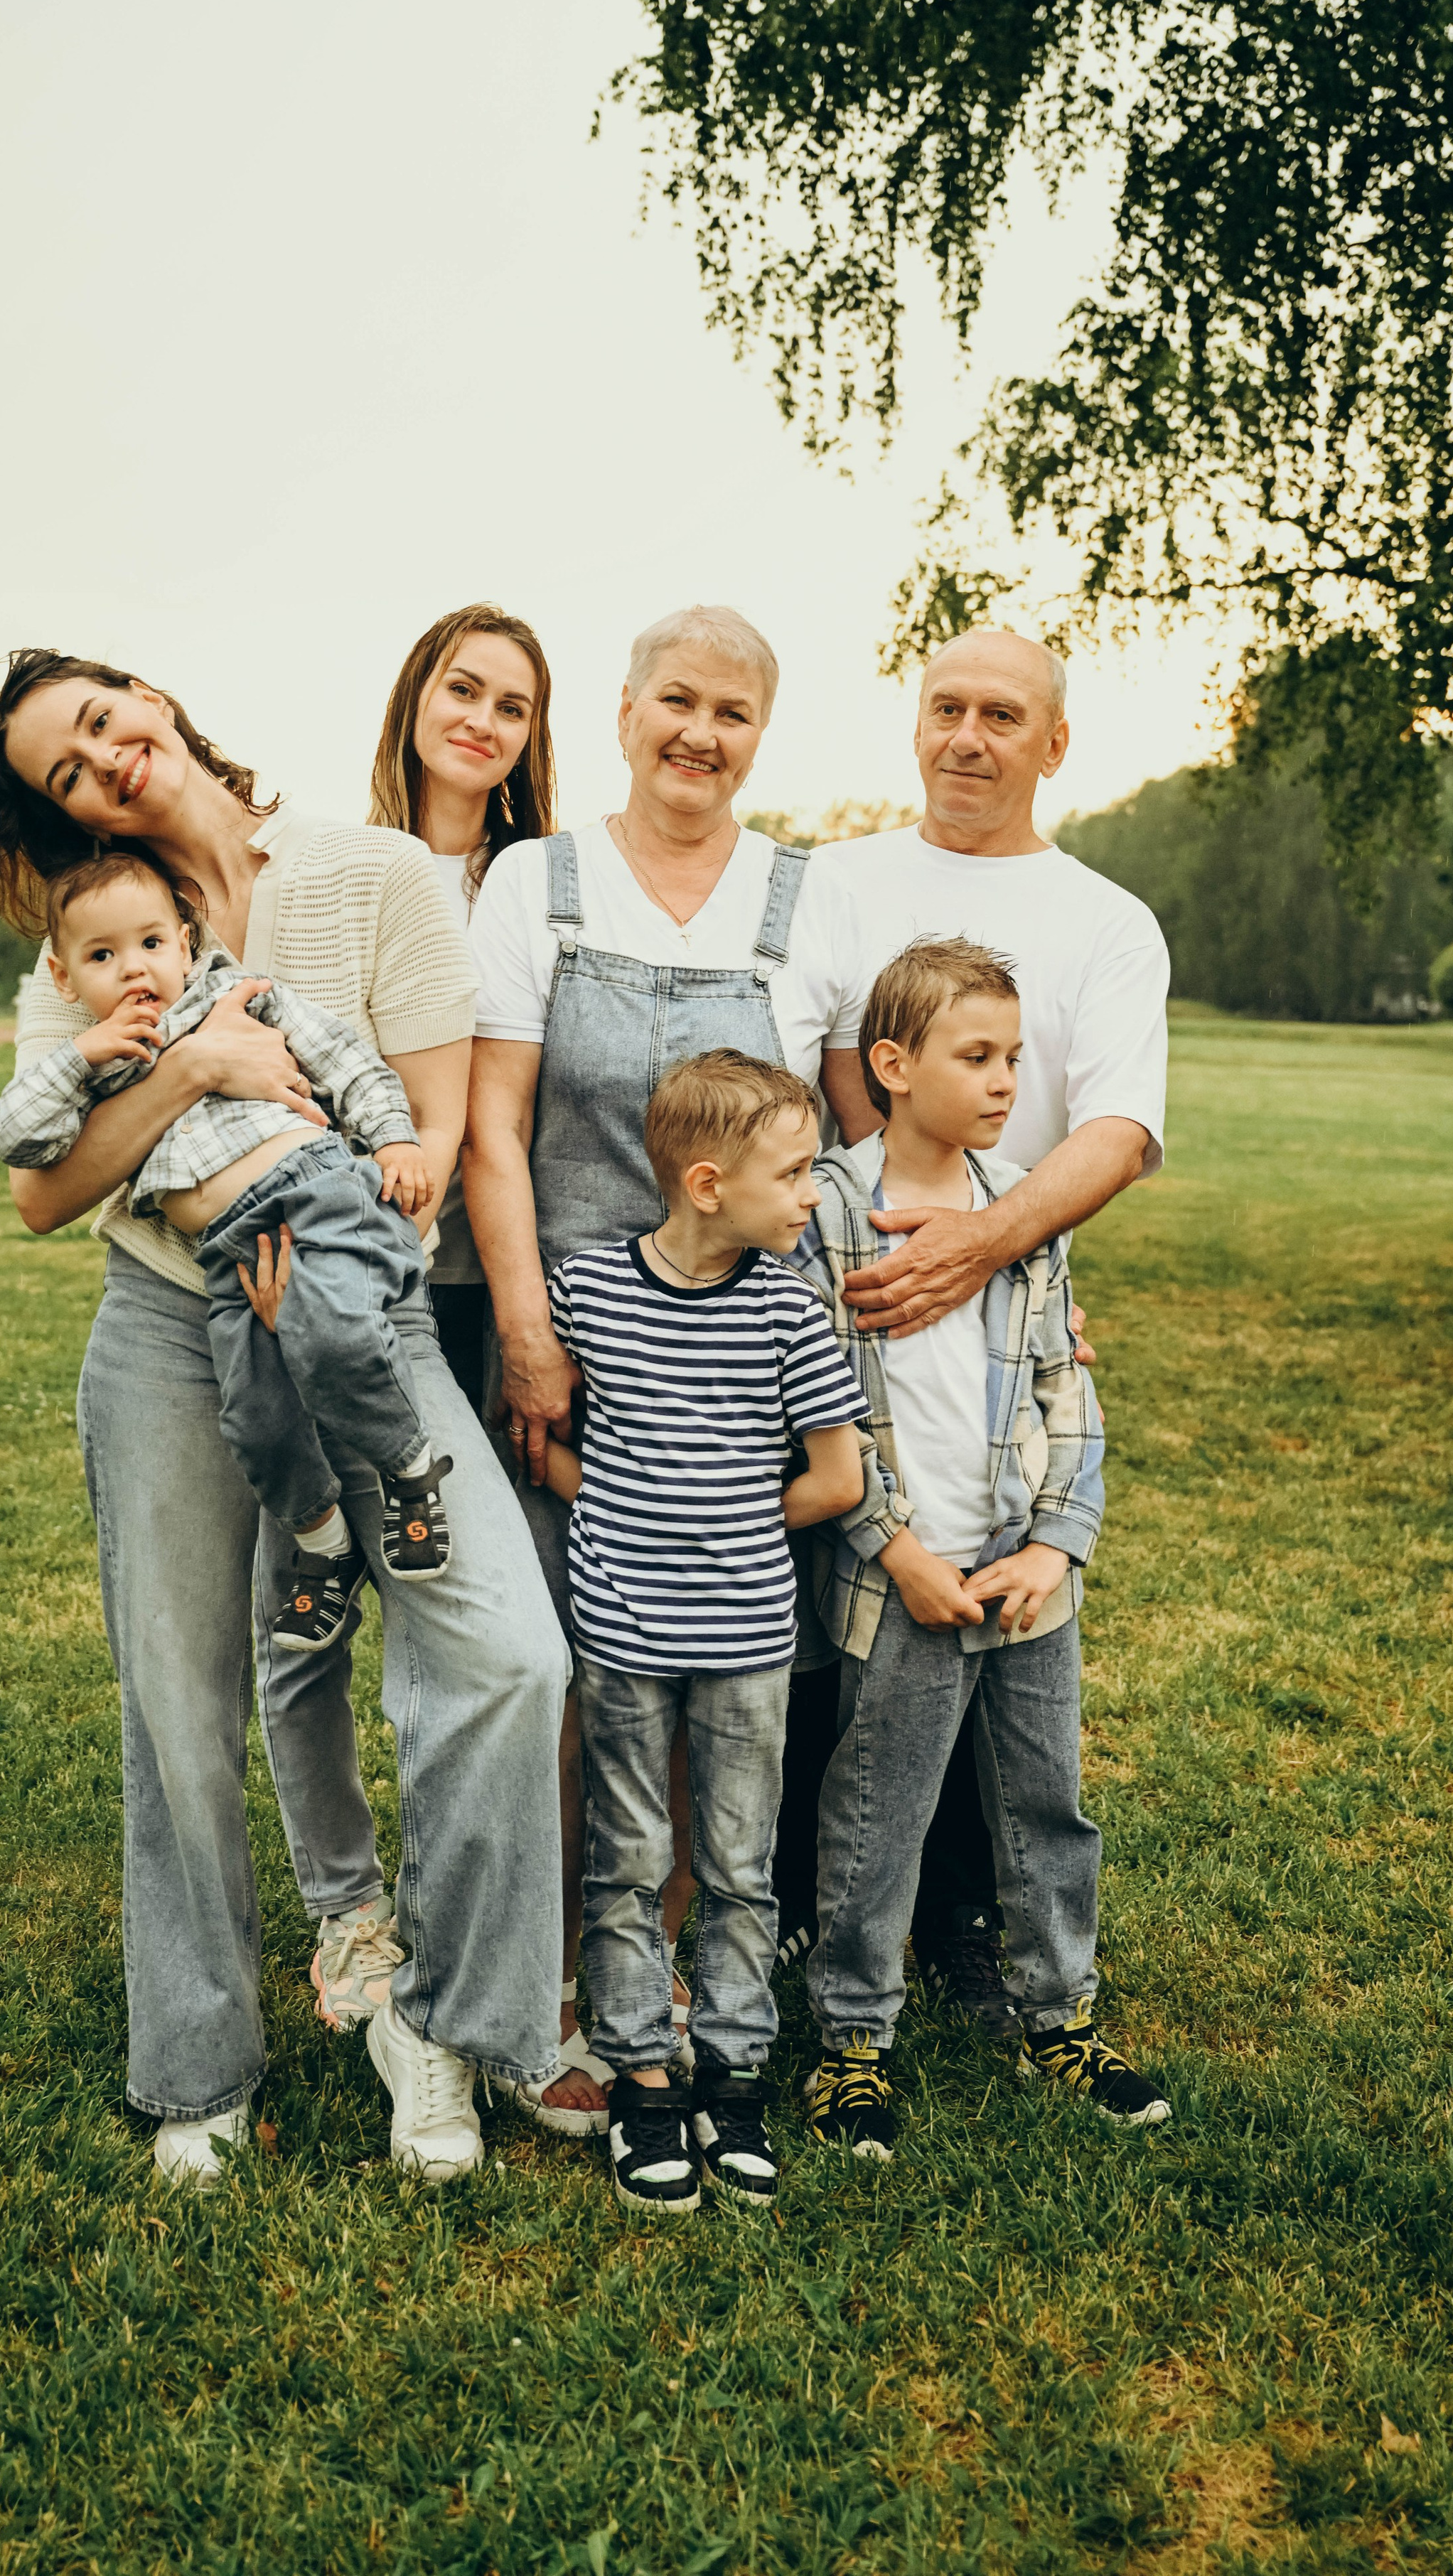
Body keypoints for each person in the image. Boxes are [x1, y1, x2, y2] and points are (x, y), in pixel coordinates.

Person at [0, 647, 566, 2186]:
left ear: (152, 702)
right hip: (168, 1327)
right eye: (61, 767)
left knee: (504, 1651)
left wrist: (331, 1242)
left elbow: (425, 1120)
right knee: (178, 1703)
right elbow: (44, 1188)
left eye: (102, 719)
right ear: (50, 816)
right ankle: (198, 2067)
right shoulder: (83, 939)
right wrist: (196, 1077)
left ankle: (438, 2019)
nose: (100, 758)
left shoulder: (369, 872)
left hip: (355, 1308)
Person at [461, 603, 869, 2130]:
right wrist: (523, 1328)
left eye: (732, 714)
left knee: (715, 1658)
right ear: (624, 710)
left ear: (762, 735)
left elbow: (846, 1140)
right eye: (673, 702)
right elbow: (496, 1127)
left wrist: (995, 1263)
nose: (699, 735)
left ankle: (689, 1971)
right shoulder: (537, 883)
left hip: (751, 1351)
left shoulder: (802, 898)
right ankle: (570, 1976)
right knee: (583, 1667)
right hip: (578, 1345)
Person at [776, 627, 1171, 2024]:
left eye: (999, 715)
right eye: (942, 707)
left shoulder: (1105, 921)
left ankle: (961, 1925)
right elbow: (827, 1063)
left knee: (992, 1612)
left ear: (1050, 744)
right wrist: (867, 1228)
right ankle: (819, 1929)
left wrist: (989, 1256)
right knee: (858, 1632)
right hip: (855, 1284)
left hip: (1006, 1300)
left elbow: (1118, 1128)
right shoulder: (839, 877)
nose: (963, 736)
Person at [791, 937, 1169, 2152]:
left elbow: (1068, 1382)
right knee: (877, 1811)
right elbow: (813, 1405)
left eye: (1016, 1056)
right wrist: (897, 1548)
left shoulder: (1020, 1211)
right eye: (978, 1056)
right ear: (892, 1066)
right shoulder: (830, 1212)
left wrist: (1057, 1546)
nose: (1008, 1079)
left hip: (1023, 1579)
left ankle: (1058, 2011)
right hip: (899, 1580)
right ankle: (853, 2041)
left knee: (1045, 1800)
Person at [539, 1052, 872, 2211]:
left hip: (746, 1643)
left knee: (737, 1871)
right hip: (622, 1634)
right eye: (793, 1176)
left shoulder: (790, 1309)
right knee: (626, 1865)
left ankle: (731, 2083)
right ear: (706, 1181)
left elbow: (836, 1479)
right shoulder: (588, 1291)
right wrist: (614, 1500)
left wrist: (718, 1520)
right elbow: (544, 1434)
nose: (812, 1197)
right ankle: (641, 2082)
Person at [0, 853, 454, 1642]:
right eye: (102, 957)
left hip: (317, 1195)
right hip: (227, 1249)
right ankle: (325, 1546)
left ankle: (410, 1470)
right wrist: (84, 1054)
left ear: (185, 944)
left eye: (150, 944)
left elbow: (349, 1064)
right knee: (254, 1417)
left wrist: (397, 1141)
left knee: (333, 1333)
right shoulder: (103, 1071)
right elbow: (17, 1138)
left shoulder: (242, 998)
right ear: (66, 982)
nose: (133, 968)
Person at [367, 604, 557, 1414]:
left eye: (511, 709)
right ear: (416, 697)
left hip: (499, 1268)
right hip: (368, 1242)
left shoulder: (544, 885)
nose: (483, 722)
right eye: (463, 690)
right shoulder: (349, 867)